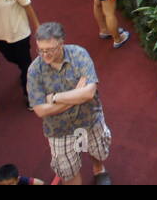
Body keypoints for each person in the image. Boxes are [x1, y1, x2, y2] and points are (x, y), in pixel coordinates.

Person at [27, 22, 112, 185]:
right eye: (41, 50)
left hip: (90, 119)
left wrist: (54, 98)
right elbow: (40, 110)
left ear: (61, 43)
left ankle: (98, 169)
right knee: (68, 172)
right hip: (60, 130)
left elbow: (88, 93)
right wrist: (76, 96)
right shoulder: (34, 71)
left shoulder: (79, 55)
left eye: (50, 50)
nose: (45, 55)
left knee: (98, 151)